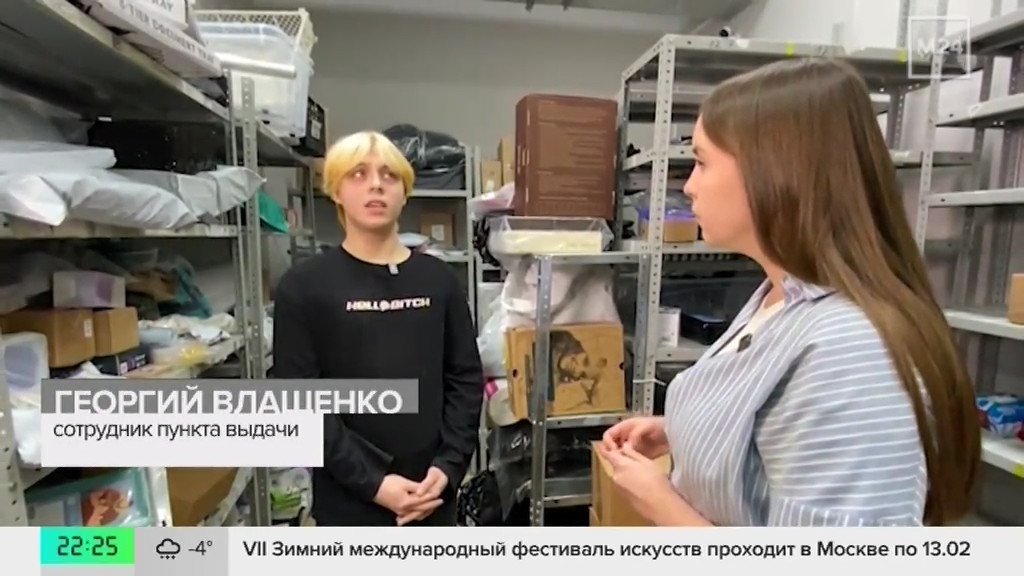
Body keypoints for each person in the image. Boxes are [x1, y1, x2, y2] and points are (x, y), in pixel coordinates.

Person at [601, 58, 980, 527]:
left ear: (775, 171)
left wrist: (660, 502)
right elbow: (779, 428)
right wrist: (686, 432)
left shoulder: (848, 352)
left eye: (701, 162)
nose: (689, 187)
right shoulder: (780, 297)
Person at [273, 130, 484, 526]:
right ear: (336, 191)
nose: (376, 185)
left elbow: (465, 379)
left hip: (431, 496)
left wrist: (448, 467)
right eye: (358, 174)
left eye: (389, 175)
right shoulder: (303, 286)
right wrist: (373, 483)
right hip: (348, 501)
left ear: (404, 193)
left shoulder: (438, 280)